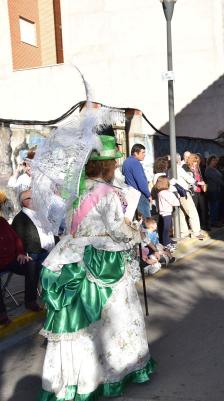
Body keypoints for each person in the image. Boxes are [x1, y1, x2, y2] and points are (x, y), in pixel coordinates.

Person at [38, 134, 154, 400]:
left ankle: (76, 380)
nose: (115, 167)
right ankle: (115, 371)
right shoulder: (109, 194)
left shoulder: (74, 192)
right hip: (102, 256)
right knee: (117, 316)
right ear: (106, 167)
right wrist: (136, 232)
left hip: (71, 254)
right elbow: (116, 230)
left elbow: (69, 226)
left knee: (79, 323)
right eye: (113, 163)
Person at [0, 192, 39, 325]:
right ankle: (0, 313)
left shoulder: (2, 221)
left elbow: (16, 239)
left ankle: (31, 301)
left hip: (10, 259)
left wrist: (20, 253)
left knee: (32, 265)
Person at [11, 189, 56, 274]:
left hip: (46, 251)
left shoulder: (40, 214)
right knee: (33, 277)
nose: (34, 199)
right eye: (29, 198)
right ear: (22, 202)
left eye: (35, 197)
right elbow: (17, 239)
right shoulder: (19, 218)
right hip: (32, 254)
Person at [169, 157, 205, 240]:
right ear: (177, 161)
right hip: (183, 192)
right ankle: (196, 232)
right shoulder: (178, 168)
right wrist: (197, 182)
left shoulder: (169, 170)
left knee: (181, 213)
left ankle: (183, 232)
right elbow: (189, 179)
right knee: (192, 212)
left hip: (175, 193)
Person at [122, 143, 152, 218]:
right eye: (142, 152)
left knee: (136, 218)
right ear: (135, 153)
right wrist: (148, 194)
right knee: (146, 220)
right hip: (140, 194)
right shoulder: (135, 163)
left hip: (130, 192)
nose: (144, 154)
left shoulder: (126, 162)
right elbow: (141, 181)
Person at [154, 175, 180, 247]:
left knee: (162, 228)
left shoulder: (160, 192)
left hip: (162, 213)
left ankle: (165, 240)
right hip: (167, 213)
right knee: (166, 229)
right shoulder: (166, 193)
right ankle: (166, 244)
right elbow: (175, 202)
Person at [188, 154, 210, 231]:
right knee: (195, 209)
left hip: (201, 191)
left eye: (197, 162)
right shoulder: (188, 169)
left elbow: (200, 178)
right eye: (194, 161)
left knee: (204, 208)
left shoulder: (198, 169)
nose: (196, 163)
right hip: (194, 191)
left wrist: (202, 182)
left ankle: (205, 225)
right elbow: (189, 181)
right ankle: (196, 226)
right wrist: (198, 183)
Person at [205, 155, 224, 228]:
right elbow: (216, 179)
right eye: (213, 160)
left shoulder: (215, 169)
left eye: (216, 160)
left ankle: (215, 220)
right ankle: (213, 221)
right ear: (210, 161)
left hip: (217, 190)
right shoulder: (208, 170)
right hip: (212, 190)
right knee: (214, 206)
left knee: (216, 206)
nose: (215, 162)